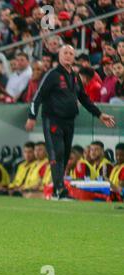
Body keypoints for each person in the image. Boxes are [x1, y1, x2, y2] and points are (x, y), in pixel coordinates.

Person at [26, 45, 115, 200]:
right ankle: (60, 190)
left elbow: (84, 98)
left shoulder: (74, 76)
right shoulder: (52, 75)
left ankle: (57, 191)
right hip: (52, 120)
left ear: (74, 57)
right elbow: (38, 96)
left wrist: (99, 114)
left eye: (71, 54)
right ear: (59, 56)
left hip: (69, 121)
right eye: (65, 53)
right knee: (57, 153)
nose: (68, 56)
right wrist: (32, 116)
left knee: (66, 156)